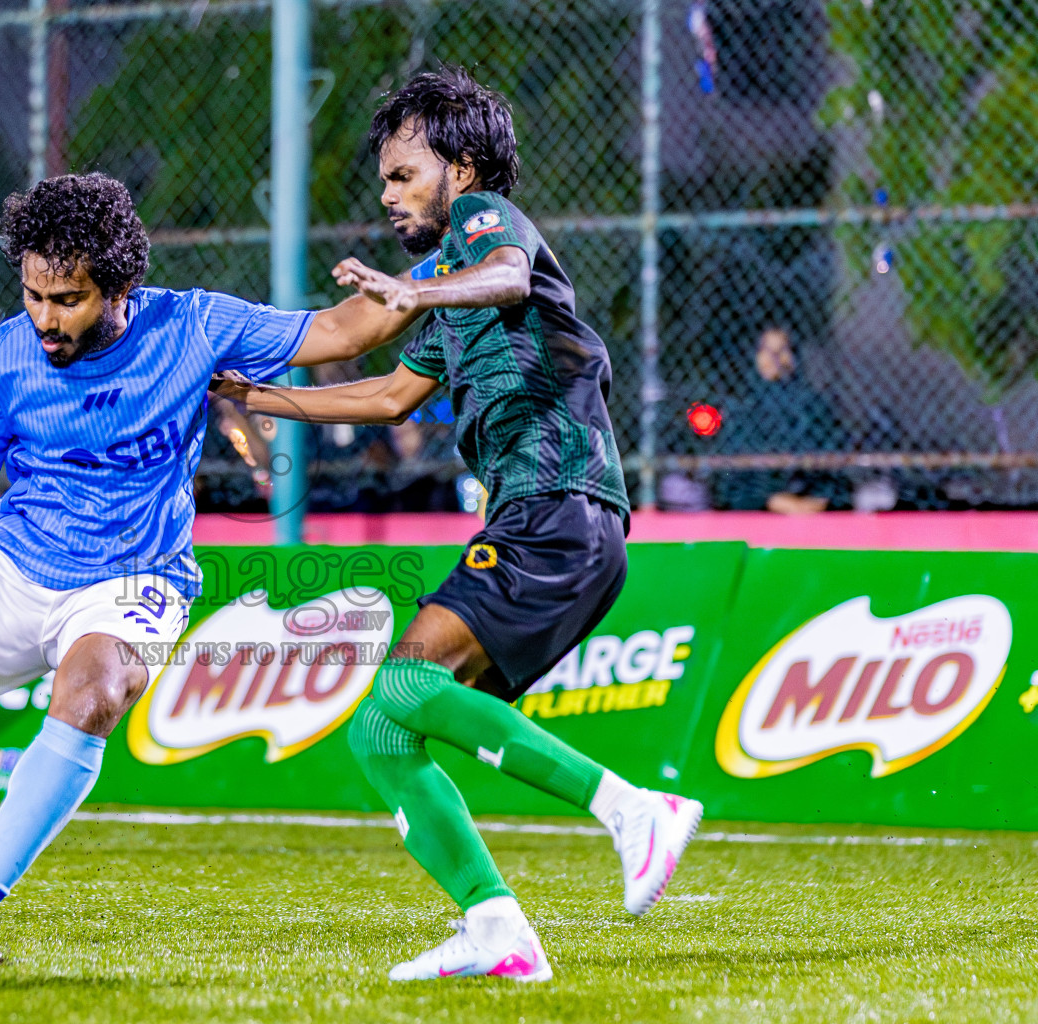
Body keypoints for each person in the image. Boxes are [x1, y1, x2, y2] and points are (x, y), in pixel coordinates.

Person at [0, 172, 423, 970]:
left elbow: (341, 331)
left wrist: (444, 275)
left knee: (93, 694)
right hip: (15, 558)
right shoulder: (5, 358)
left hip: (139, 578)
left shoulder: (192, 325)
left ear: (121, 288)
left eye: (69, 299)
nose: (46, 319)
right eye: (33, 296)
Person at [213, 67, 703, 984]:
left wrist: (418, 294)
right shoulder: (449, 292)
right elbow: (389, 396)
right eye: (386, 179)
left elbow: (507, 274)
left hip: (556, 505)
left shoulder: (488, 225)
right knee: (381, 729)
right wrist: (255, 395)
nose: (388, 193)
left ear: (462, 170)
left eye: (404, 175)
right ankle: (495, 928)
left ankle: (634, 809)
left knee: (402, 686)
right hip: (545, 520)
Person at [713, 326, 848, 514]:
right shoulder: (743, 408)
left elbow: (834, 462)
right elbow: (732, 478)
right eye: (767, 350)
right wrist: (773, 501)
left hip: (814, 506)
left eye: (782, 350)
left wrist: (817, 501)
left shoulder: (814, 405)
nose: (775, 357)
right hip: (759, 509)